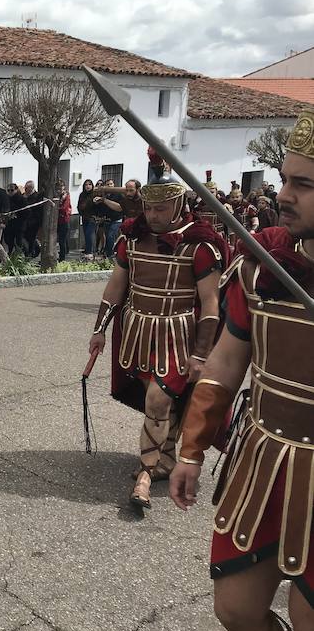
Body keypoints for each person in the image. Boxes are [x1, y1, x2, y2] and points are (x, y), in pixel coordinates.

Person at [169, 109, 314, 631]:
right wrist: (191, 450)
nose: (284, 195)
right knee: (235, 608)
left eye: (304, 184)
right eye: (284, 180)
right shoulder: (264, 264)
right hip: (266, 459)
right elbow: (227, 364)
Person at [88, 147, 228, 509]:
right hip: (137, 333)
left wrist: (201, 353)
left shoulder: (199, 247)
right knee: (160, 401)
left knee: (158, 399)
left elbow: (211, 303)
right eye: (148, 208)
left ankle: (146, 474)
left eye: (160, 208)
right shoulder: (130, 240)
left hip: (177, 337)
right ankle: (166, 458)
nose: (152, 215)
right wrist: (100, 329)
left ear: (178, 205)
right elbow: (115, 288)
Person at [95, 178, 124, 258]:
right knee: (107, 236)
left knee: (110, 236)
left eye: (111, 184)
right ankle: (107, 252)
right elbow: (101, 208)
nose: (110, 186)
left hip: (117, 219)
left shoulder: (118, 195)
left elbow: (120, 207)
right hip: (107, 219)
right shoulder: (103, 195)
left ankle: (110, 253)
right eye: (108, 184)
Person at [76, 178, 97, 258]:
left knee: (89, 234)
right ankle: (88, 250)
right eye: (86, 185)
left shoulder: (94, 194)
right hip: (84, 217)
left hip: (92, 217)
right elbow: (79, 205)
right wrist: (81, 212)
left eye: (89, 184)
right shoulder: (82, 195)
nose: (88, 186)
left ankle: (89, 251)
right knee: (86, 234)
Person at [3, 183, 26, 254]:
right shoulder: (6, 198)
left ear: (16, 190)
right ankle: (10, 253)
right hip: (9, 223)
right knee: (8, 240)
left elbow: (26, 212)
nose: (10, 192)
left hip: (19, 224)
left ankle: (21, 254)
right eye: (8, 190)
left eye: (12, 190)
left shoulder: (21, 199)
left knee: (19, 241)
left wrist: (17, 215)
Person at [22, 180, 43, 258]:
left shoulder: (36, 196)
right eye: (25, 187)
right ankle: (34, 249)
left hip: (33, 221)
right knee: (24, 237)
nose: (25, 189)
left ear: (31, 188)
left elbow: (36, 209)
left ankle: (31, 253)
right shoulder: (23, 196)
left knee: (31, 238)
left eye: (27, 188)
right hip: (24, 221)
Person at [55, 179, 72, 262]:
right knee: (62, 238)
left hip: (64, 220)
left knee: (62, 240)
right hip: (57, 220)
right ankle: (65, 251)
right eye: (57, 188)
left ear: (63, 187)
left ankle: (62, 258)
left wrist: (55, 208)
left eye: (60, 187)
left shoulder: (66, 196)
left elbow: (64, 208)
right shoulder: (57, 195)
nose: (59, 190)